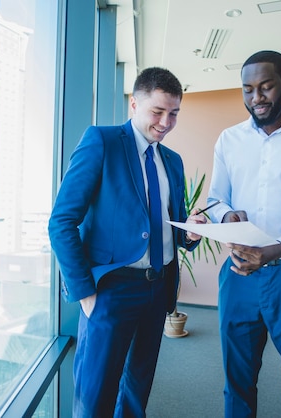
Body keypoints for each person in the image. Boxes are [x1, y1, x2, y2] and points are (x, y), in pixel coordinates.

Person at [48, 67, 205, 418]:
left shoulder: (172, 161)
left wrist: (190, 231)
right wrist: (86, 293)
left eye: (174, 113)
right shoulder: (101, 142)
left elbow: (169, 227)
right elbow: (61, 222)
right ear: (134, 104)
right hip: (111, 290)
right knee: (95, 397)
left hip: (157, 287)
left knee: (137, 391)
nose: (166, 122)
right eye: (158, 111)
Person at [207, 50, 281, 418]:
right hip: (238, 272)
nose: (256, 98)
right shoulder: (229, 139)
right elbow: (215, 199)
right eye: (248, 89)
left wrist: (277, 249)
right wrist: (225, 217)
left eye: (266, 86)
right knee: (236, 379)